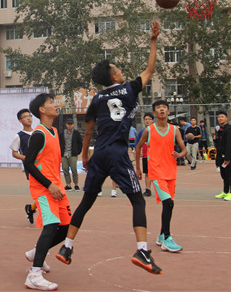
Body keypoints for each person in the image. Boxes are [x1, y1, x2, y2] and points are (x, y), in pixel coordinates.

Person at [56, 21, 162, 274]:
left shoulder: (96, 98)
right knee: (137, 199)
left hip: (99, 153)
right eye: (118, 69)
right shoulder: (129, 88)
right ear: (114, 77)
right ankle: (142, 250)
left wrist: (85, 157)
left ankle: (67, 247)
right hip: (116, 152)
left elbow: (88, 131)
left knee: (87, 201)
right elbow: (150, 69)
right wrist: (153, 41)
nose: (121, 71)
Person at [23, 93, 72, 290]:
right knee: (51, 225)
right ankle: (34, 274)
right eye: (51, 102)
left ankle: (37, 252)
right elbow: (29, 163)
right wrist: (48, 184)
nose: (55, 105)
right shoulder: (38, 134)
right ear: (42, 110)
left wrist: (55, 184)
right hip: (43, 188)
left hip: (57, 187)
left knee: (67, 228)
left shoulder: (54, 131)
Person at [136, 100, 187, 252]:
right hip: (156, 171)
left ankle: (161, 235)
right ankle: (167, 238)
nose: (162, 110)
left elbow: (184, 149)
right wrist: (138, 168)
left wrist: (179, 154)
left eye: (164, 107)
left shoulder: (175, 130)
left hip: (170, 171)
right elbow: (138, 147)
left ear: (168, 111)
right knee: (168, 203)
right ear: (155, 113)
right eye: (158, 108)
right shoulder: (149, 130)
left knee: (168, 204)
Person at [9, 108, 38, 224]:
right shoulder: (19, 136)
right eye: (25, 117)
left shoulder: (38, 133)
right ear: (20, 121)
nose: (29, 118)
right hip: (31, 168)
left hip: (43, 166)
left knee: (47, 192)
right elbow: (14, 153)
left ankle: (31, 208)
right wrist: (27, 158)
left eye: (30, 116)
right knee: (42, 193)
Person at [214, 111, 231, 201]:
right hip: (220, 155)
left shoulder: (229, 130)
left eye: (222, 117)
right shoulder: (219, 129)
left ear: (226, 118)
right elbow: (220, 143)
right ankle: (225, 191)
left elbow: (230, 145)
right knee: (223, 174)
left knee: (229, 174)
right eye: (219, 117)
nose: (220, 118)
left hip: (227, 156)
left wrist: (228, 157)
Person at [135, 113, 155, 197]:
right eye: (145, 119)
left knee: (157, 173)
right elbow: (137, 144)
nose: (147, 121)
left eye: (149, 119)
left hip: (155, 155)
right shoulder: (142, 131)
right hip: (146, 155)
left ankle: (161, 189)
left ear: (152, 120)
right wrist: (138, 152)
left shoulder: (156, 130)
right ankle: (148, 189)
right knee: (147, 173)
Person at [60, 118, 82, 191]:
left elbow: (80, 143)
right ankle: (68, 185)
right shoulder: (62, 133)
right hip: (64, 154)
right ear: (66, 125)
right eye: (68, 124)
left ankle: (76, 184)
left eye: (71, 124)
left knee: (74, 169)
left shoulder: (76, 133)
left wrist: (78, 152)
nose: (69, 125)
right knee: (65, 169)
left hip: (73, 154)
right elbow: (59, 143)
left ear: (73, 125)